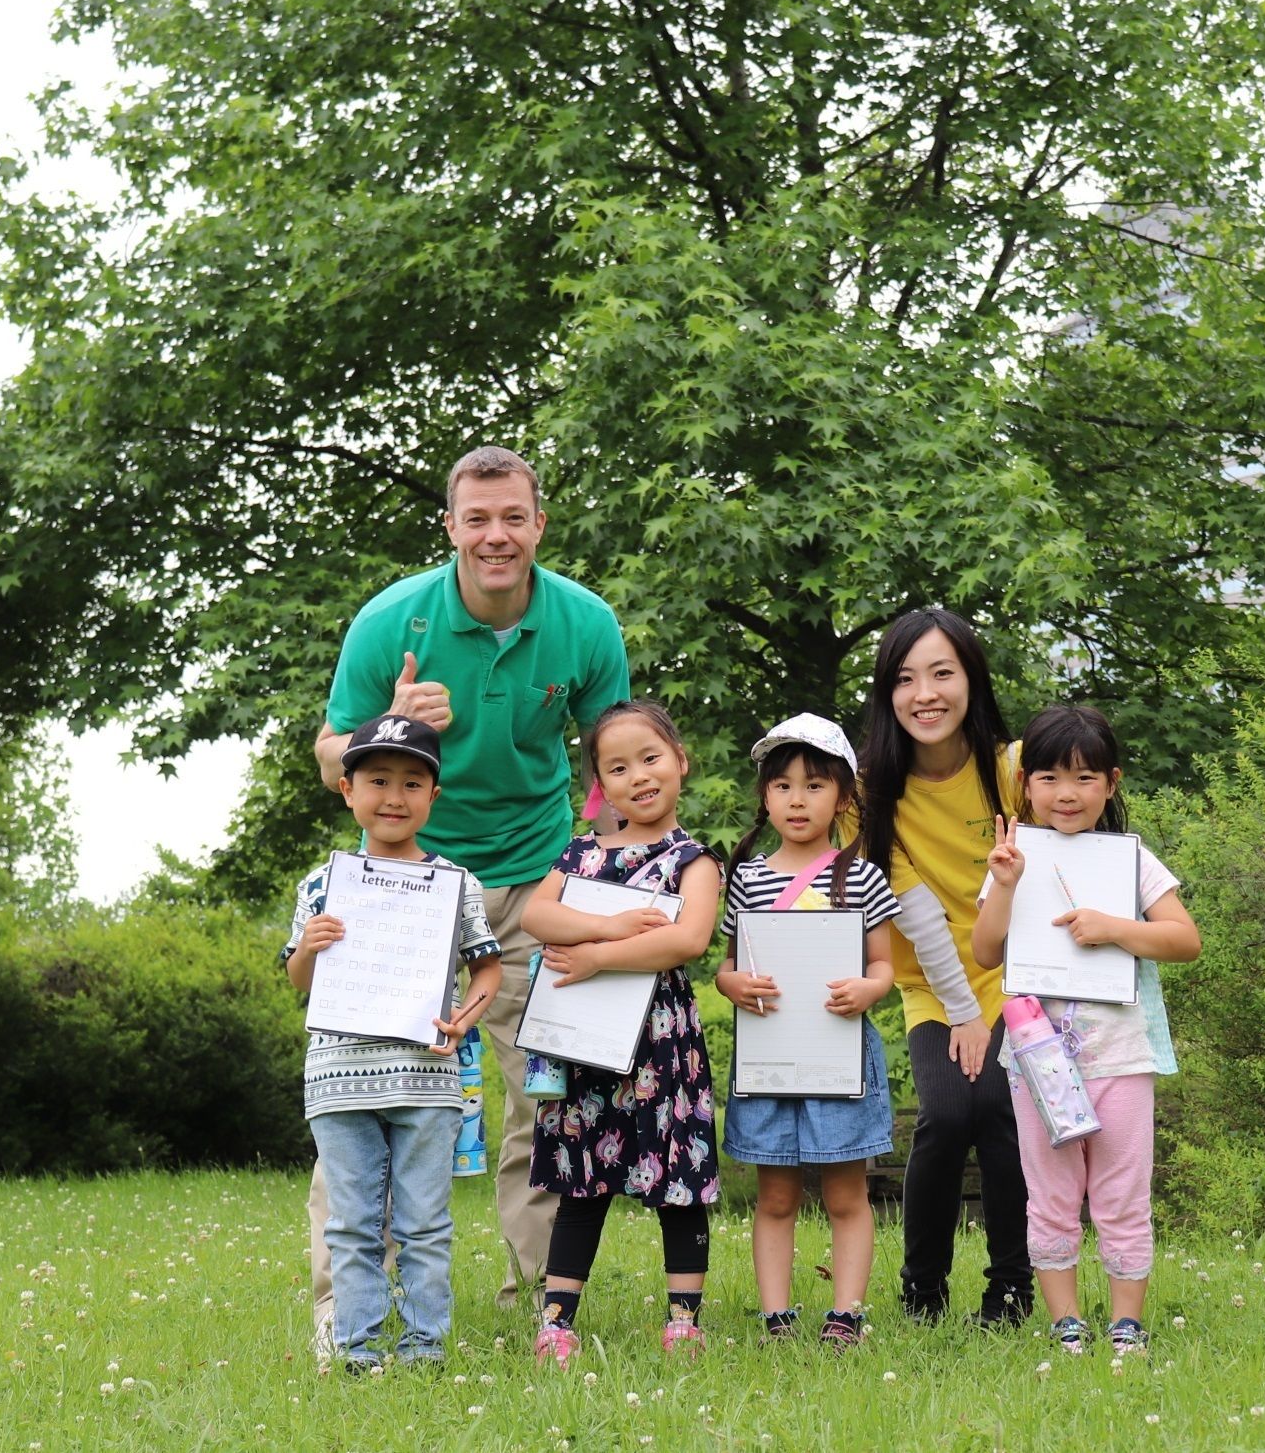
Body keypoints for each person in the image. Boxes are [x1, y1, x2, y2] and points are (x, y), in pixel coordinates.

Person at [310, 445, 630, 1332]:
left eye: (513, 517)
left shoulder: (585, 624)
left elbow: (613, 764)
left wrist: (595, 881)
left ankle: (543, 1305)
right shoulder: (392, 621)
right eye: (477, 519)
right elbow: (332, 751)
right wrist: (394, 725)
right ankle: (351, 1312)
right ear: (450, 526)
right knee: (370, 1090)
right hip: (408, 887)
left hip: (532, 879)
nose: (496, 535)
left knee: (544, 1095)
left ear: (539, 523)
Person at [971, 705, 1200, 1356]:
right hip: (1038, 1057)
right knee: (1049, 1192)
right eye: (1046, 777)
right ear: (1024, 785)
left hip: (1120, 1057)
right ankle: (1065, 1319)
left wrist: (1114, 927)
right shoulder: (1013, 858)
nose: (1065, 793)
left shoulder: (1132, 861)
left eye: (1082, 777)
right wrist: (1008, 883)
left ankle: (1127, 1322)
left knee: (1122, 1192)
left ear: (1111, 782)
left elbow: (1184, 939)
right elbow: (985, 951)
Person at [281, 714, 504, 1369]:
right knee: (350, 1224)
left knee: (424, 1225)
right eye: (377, 779)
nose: (394, 796)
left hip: (426, 1081)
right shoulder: (323, 884)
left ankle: (424, 1348)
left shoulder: (456, 883)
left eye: (412, 782)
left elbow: (486, 966)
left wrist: (464, 1015)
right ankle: (355, 1350)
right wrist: (312, 945)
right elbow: (299, 975)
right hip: (338, 1079)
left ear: (434, 796)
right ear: (346, 789)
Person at [521, 700, 722, 1366]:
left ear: (679, 760)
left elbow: (686, 937)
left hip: (661, 1047)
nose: (638, 775)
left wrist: (597, 957)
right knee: (582, 1180)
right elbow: (537, 914)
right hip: (583, 1046)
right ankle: (556, 1321)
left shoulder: (693, 860)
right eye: (617, 767)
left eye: (650, 757)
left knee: (678, 1178)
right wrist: (610, 927)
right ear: (600, 784)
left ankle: (683, 1320)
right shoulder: (579, 851)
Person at [856, 608, 1032, 1325]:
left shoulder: (1015, 769)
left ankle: (1012, 1286)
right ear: (886, 693)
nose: (924, 693)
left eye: (941, 672)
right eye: (904, 678)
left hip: (1016, 976)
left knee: (998, 1106)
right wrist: (961, 1011)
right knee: (947, 1110)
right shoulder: (869, 790)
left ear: (971, 679)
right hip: (932, 982)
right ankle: (921, 1287)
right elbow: (917, 913)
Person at [715, 713, 898, 1349]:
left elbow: (885, 966)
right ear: (765, 795)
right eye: (784, 785)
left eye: (816, 785)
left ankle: (846, 1314)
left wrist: (869, 989)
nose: (798, 799)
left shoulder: (863, 875)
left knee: (848, 1193)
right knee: (775, 1194)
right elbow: (731, 965)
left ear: (843, 797)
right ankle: (777, 1318)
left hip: (840, 1055)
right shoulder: (747, 877)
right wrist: (731, 984)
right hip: (769, 1058)